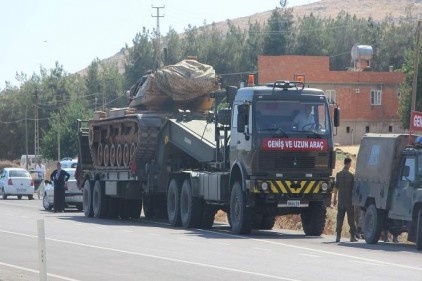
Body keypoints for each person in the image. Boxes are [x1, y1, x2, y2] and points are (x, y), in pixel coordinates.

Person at [334, 157, 358, 242]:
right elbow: (354, 189)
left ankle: (338, 236)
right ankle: (352, 236)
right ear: (348, 164)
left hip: (341, 200)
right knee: (351, 218)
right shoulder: (351, 175)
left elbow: (336, 188)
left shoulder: (339, 174)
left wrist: (334, 199)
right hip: (349, 200)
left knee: (339, 218)